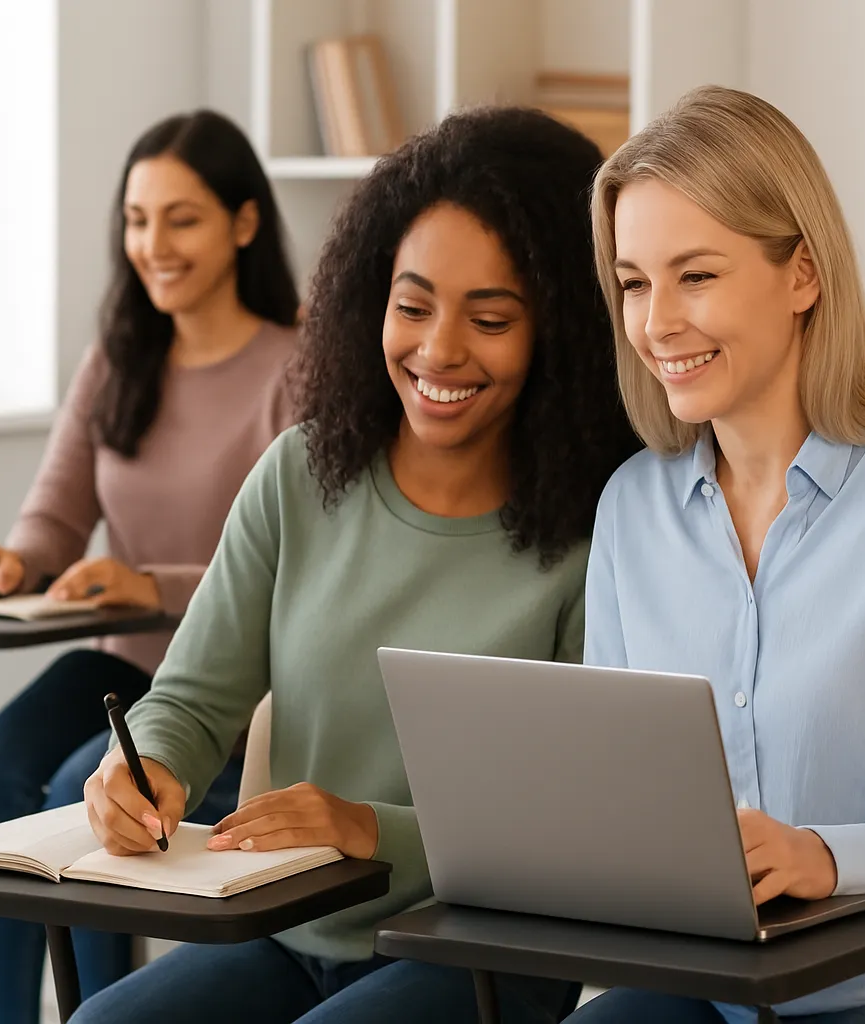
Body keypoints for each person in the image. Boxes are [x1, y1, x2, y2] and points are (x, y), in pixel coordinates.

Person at [71, 106, 639, 1024]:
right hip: (289, 929)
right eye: (412, 306)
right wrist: (149, 768)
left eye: (489, 318)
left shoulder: (602, 528)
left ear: (563, 332)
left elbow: (570, 818)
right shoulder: (299, 474)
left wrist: (368, 829)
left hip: (479, 951)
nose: (438, 349)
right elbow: (190, 698)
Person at [566, 86, 865, 1024]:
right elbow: (621, 805)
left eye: (697, 276)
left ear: (802, 275)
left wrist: (827, 857)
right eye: (634, 283)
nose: (656, 322)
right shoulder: (633, 509)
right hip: (715, 992)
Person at [0, 109, 301, 1023]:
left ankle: (102, 1014)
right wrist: (10, 561)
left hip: (236, 699)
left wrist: (151, 585)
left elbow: (296, 566)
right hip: (124, 674)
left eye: (180, 218)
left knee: (85, 785)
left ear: (243, 223)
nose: (154, 244)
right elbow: (54, 520)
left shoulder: (293, 368)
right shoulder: (119, 355)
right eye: (137, 220)